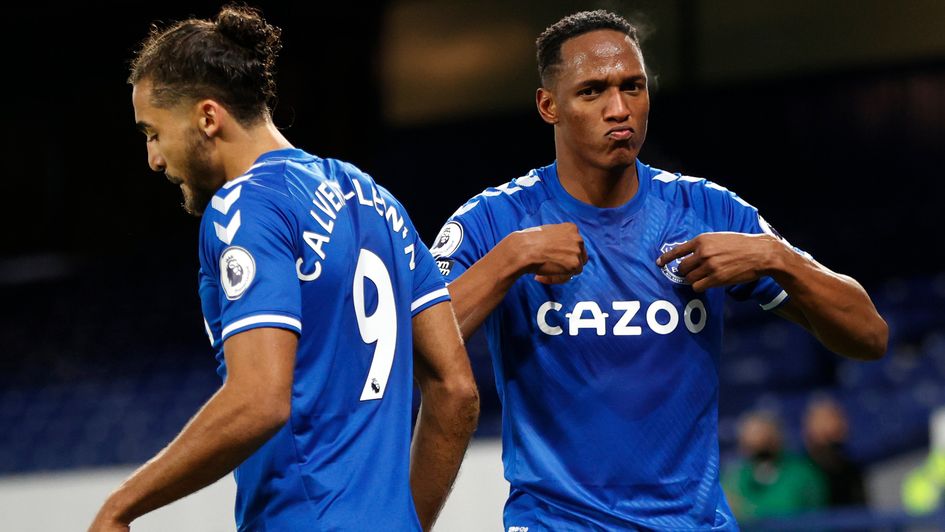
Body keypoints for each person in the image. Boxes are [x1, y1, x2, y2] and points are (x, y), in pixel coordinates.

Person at [432, 9, 887, 530]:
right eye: (593, 92)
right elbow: (409, 349)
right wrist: (509, 260)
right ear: (548, 105)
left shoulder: (707, 211)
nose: (619, 108)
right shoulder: (495, 222)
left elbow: (870, 336)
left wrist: (774, 257)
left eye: (634, 87)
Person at [90, 6, 479, 531]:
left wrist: (121, 506)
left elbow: (258, 399)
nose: (153, 159)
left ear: (208, 117)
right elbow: (456, 391)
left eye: (153, 132)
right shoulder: (375, 199)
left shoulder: (244, 207)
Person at [722, 411, 828, 520]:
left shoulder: (802, 474)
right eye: (749, 442)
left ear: (778, 438)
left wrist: (747, 511)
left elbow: (813, 517)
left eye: (765, 440)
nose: (757, 445)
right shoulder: (734, 477)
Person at [803, 398, 868, 506]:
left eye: (838, 418)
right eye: (826, 420)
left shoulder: (851, 469)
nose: (836, 424)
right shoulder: (801, 469)